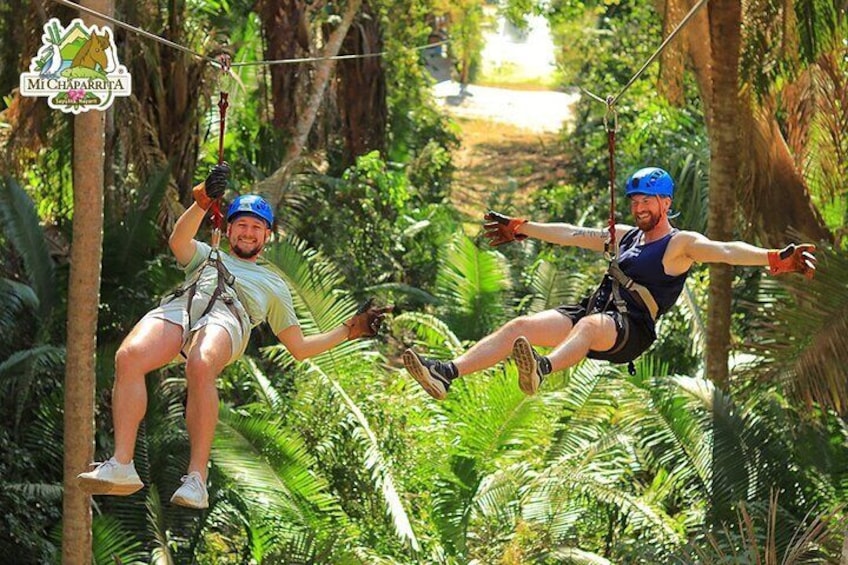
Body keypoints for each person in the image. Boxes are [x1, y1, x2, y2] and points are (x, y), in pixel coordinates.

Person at [78, 164, 391, 509]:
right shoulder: (206, 255)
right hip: (185, 308)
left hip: (228, 318)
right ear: (228, 230)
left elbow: (299, 348)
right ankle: (122, 464)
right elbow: (178, 241)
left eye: (256, 227)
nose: (248, 232)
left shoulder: (274, 285)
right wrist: (202, 201)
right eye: (241, 224)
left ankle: (197, 477)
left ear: (266, 237)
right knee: (129, 356)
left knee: (200, 363)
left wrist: (349, 329)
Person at [403, 166, 817, 400]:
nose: (639, 208)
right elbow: (572, 233)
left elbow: (725, 250)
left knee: (588, 327)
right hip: (594, 311)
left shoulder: (680, 244)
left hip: (629, 328)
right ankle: (446, 372)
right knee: (520, 328)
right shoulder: (625, 235)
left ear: (666, 203)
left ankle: (543, 370)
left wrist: (774, 258)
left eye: (647, 202)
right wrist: (523, 228)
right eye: (635, 202)